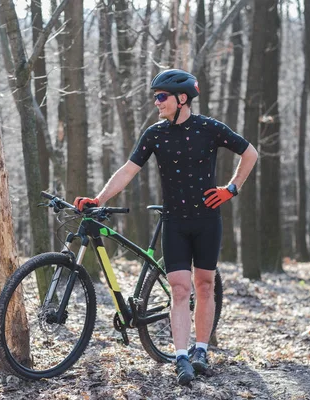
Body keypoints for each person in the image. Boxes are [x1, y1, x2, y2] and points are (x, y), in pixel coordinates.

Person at [73, 69, 258, 385]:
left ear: (182, 98)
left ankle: (201, 350)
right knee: (180, 288)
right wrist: (99, 197)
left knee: (204, 285)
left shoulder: (210, 128)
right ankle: (182, 357)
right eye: (155, 96)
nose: (156, 102)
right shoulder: (154, 134)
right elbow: (128, 170)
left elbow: (250, 153)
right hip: (174, 221)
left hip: (207, 220)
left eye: (161, 97)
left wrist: (231, 188)